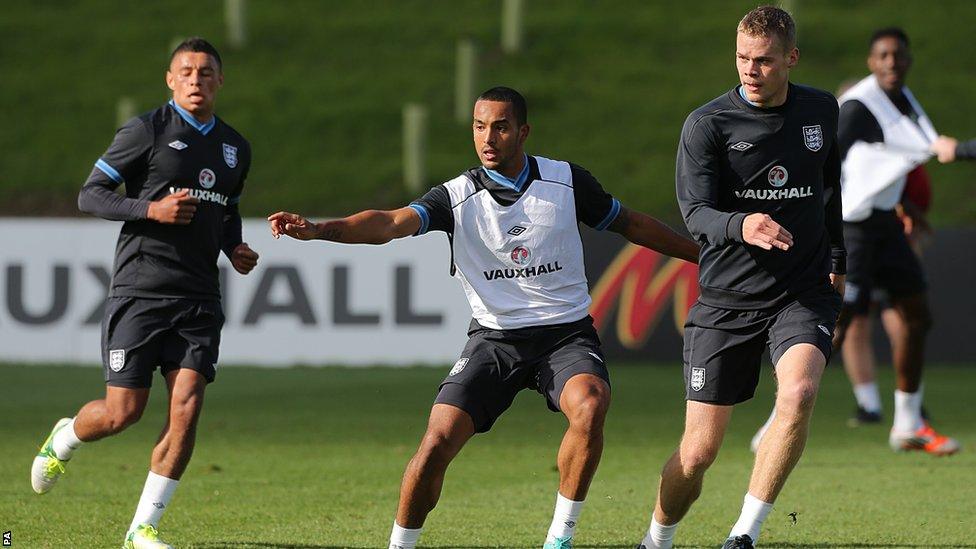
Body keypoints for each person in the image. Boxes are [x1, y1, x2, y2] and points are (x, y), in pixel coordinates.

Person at [268, 86, 700, 549]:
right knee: (435, 444)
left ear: (523, 131)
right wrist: (320, 230)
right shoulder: (455, 196)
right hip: (494, 341)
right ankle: (400, 545)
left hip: (565, 337)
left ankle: (559, 539)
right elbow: (390, 224)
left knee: (591, 405)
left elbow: (631, 224)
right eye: (478, 126)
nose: (487, 137)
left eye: (500, 126)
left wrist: (702, 256)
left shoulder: (566, 182)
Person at [30, 37, 259, 548]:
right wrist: (149, 211)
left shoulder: (235, 147)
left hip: (199, 297)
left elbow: (226, 208)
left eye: (206, 72)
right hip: (141, 290)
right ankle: (65, 436)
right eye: (186, 72)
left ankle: (142, 529)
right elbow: (90, 195)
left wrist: (235, 247)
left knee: (187, 406)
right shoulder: (145, 132)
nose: (196, 80)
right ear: (170, 80)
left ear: (220, 81)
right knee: (122, 413)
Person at [635, 7, 845, 549]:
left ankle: (743, 535)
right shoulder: (708, 124)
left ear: (791, 59)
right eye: (742, 59)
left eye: (765, 61)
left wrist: (839, 258)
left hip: (801, 292)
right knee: (699, 452)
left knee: (797, 393)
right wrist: (742, 222)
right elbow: (695, 213)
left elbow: (830, 193)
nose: (751, 70)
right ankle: (658, 538)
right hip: (727, 298)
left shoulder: (821, 111)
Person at [828, 27, 963, 454]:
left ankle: (907, 422)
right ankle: (781, 415)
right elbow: (825, 168)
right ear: (872, 62)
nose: (891, 62)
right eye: (883, 55)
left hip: (885, 227)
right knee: (838, 326)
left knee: (916, 316)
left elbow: (893, 167)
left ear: (908, 60)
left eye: (898, 55)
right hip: (852, 231)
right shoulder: (858, 108)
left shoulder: (902, 104)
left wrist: (912, 212)